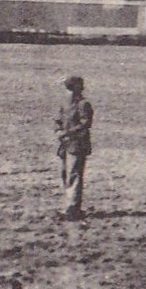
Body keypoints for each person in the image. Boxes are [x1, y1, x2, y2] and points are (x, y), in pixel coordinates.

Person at [54, 75, 94, 220]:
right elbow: (58, 120)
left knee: (74, 175)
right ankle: (69, 206)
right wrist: (58, 131)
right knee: (65, 175)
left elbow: (85, 124)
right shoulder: (64, 104)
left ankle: (72, 209)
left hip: (77, 144)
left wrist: (67, 133)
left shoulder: (84, 104)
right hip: (65, 144)